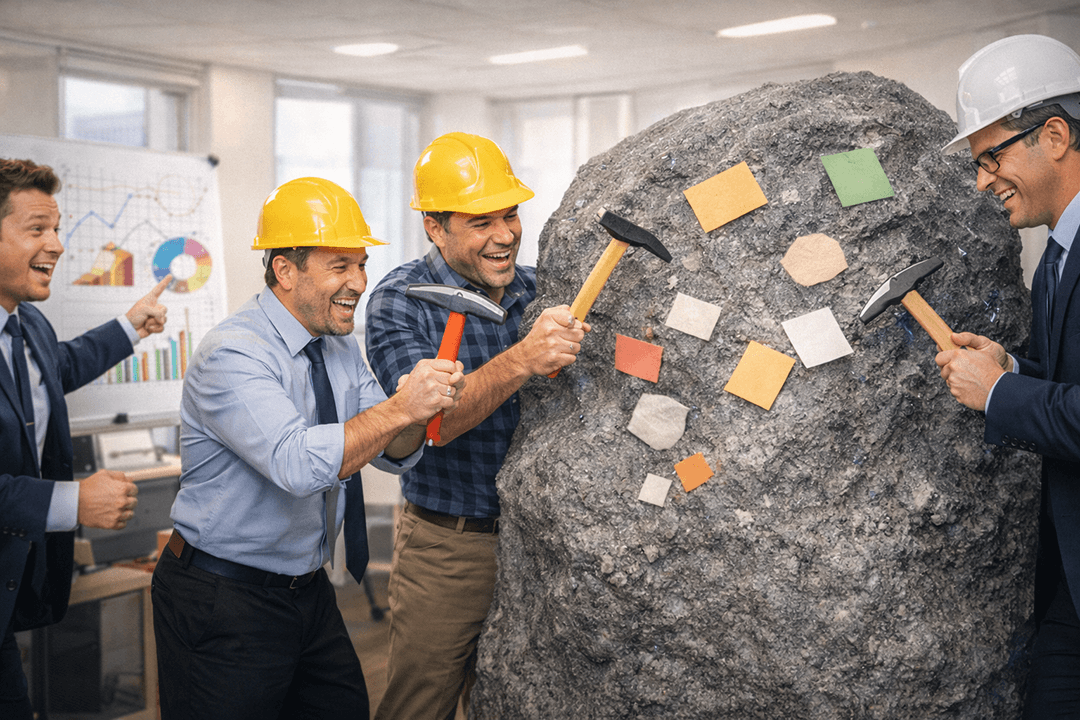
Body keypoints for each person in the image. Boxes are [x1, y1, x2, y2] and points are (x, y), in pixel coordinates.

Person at [151, 176, 464, 720]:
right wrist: (400, 407)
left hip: (306, 591)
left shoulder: (337, 347)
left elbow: (390, 447)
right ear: (285, 270)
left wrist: (421, 407)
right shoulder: (234, 353)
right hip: (222, 595)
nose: (359, 282)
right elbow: (296, 463)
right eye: (340, 266)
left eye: (361, 264)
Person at [365, 131, 589, 720]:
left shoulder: (540, 292)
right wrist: (521, 360)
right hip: (451, 546)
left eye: (511, 215)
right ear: (435, 228)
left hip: (540, 543)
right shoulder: (400, 302)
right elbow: (432, 427)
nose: (506, 235)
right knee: (420, 706)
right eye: (481, 221)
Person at [935, 35, 1080, 716]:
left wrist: (998, 393)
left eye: (992, 156)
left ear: (1053, 135)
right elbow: (1067, 378)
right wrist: (1013, 367)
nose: (982, 180)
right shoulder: (1056, 256)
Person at [0, 158, 170, 719]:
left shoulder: (27, 324)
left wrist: (129, 327)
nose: (57, 244)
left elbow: (55, 369)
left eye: (57, 228)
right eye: (37, 229)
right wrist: (74, 501)